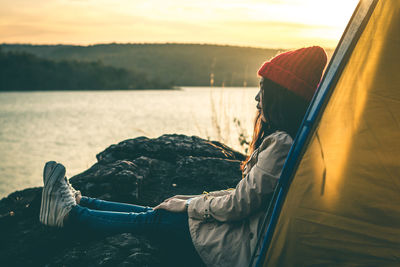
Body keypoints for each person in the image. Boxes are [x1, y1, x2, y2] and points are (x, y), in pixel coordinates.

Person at [39, 46, 327, 267]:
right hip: (243, 232)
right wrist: (191, 202)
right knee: (159, 212)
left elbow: (240, 204)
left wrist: (191, 204)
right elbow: (247, 199)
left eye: (263, 90)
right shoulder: (287, 141)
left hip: (242, 247)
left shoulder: (282, 144)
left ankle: (70, 215)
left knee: (152, 221)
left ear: (281, 97)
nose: (256, 99)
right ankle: (83, 201)